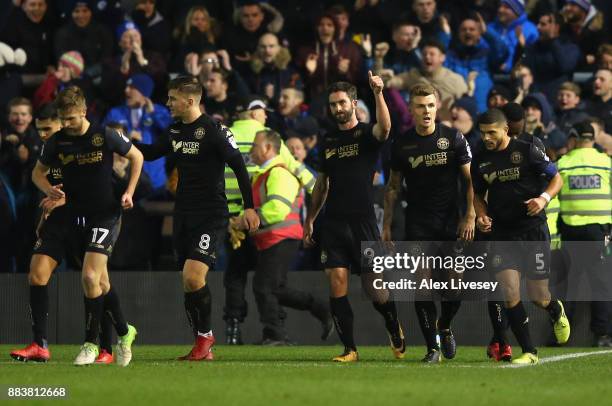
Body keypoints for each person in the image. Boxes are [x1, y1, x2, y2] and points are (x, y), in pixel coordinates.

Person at [135, 76, 259, 360]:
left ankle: (206, 339)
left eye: (172, 99)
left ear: (190, 101)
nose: (167, 104)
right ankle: (202, 343)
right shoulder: (176, 131)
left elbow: (239, 167)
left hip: (211, 215)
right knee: (188, 281)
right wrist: (120, 142)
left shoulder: (215, 131)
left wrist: (249, 207)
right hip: (183, 215)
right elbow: (153, 153)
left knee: (193, 276)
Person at [29, 86, 143, 366]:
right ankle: (125, 332)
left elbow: (137, 157)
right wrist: (50, 191)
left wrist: (129, 191)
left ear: (83, 111)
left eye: (71, 119)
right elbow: (37, 173)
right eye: (63, 120)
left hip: (106, 215)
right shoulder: (57, 142)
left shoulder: (104, 135)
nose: (66, 125)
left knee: (91, 278)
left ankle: (91, 344)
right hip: (76, 217)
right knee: (100, 281)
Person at [303, 74, 405, 362]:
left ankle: (392, 323)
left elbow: (385, 129)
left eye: (342, 103)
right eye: (333, 104)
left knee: (375, 289)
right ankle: (350, 349)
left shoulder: (365, 135)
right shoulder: (328, 141)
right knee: (336, 280)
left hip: (364, 222)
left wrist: (378, 93)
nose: (337, 108)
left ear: (353, 103)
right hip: (334, 222)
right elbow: (322, 184)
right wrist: (311, 218)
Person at [383, 83, 475, 363]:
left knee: (454, 289)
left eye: (431, 105)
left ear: (437, 107)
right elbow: (393, 187)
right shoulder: (402, 144)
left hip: (451, 223)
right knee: (422, 286)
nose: (426, 111)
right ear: (411, 109)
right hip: (418, 224)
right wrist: (386, 225)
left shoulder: (454, 138)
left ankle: (444, 326)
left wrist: (469, 215)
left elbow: (471, 180)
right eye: (421, 106)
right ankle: (432, 348)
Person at [472, 108, 570, 365]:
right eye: (483, 133)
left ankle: (554, 308)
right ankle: (529, 351)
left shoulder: (526, 150)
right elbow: (478, 196)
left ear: (506, 130)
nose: (486, 138)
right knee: (510, 292)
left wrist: (543, 198)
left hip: (533, 230)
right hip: (502, 233)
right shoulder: (479, 157)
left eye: (491, 132)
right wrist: (480, 215)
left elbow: (556, 179)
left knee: (538, 296)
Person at [223, 95, 315, 345]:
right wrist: (316, 190)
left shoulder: (224, 135)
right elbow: (294, 167)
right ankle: (275, 330)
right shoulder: (266, 136)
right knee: (270, 281)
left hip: (231, 220)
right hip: (261, 220)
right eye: (264, 111)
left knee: (235, 275)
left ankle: (233, 330)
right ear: (254, 113)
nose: (266, 116)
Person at [233, 129, 331, 344]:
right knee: (274, 288)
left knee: (264, 286)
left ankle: (276, 334)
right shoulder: (267, 173)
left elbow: (278, 208)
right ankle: (316, 313)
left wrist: (246, 221)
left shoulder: (279, 173)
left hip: (282, 238)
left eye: (254, 146)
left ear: (268, 148)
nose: (250, 151)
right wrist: (241, 218)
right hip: (273, 239)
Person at [557, 121, 611, 347]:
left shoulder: (564, 163)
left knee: (568, 285)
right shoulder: (606, 162)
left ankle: (561, 334)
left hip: (570, 230)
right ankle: (603, 335)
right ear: (593, 137)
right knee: (601, 284)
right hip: (599, 231)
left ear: (573, 136)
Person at [102, 73, 171, 195]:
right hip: (124, 178)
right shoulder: (115, 113)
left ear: (143, 92)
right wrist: (126, 138)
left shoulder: (159, 111)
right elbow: (103, 138)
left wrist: (153, 114)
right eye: (126, 87)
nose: (126, 90)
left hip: (155, 180)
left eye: (132, 88)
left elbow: (170, 131)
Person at [386, 39, 468, 121]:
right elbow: (387, 83)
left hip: (446, 127)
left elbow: (467, 106)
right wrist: (380, 63)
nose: (427, 57)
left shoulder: (455, 80)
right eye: (424, 54)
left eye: (432, 54)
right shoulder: (414, 75)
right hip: (419, 127)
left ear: (442, 58)